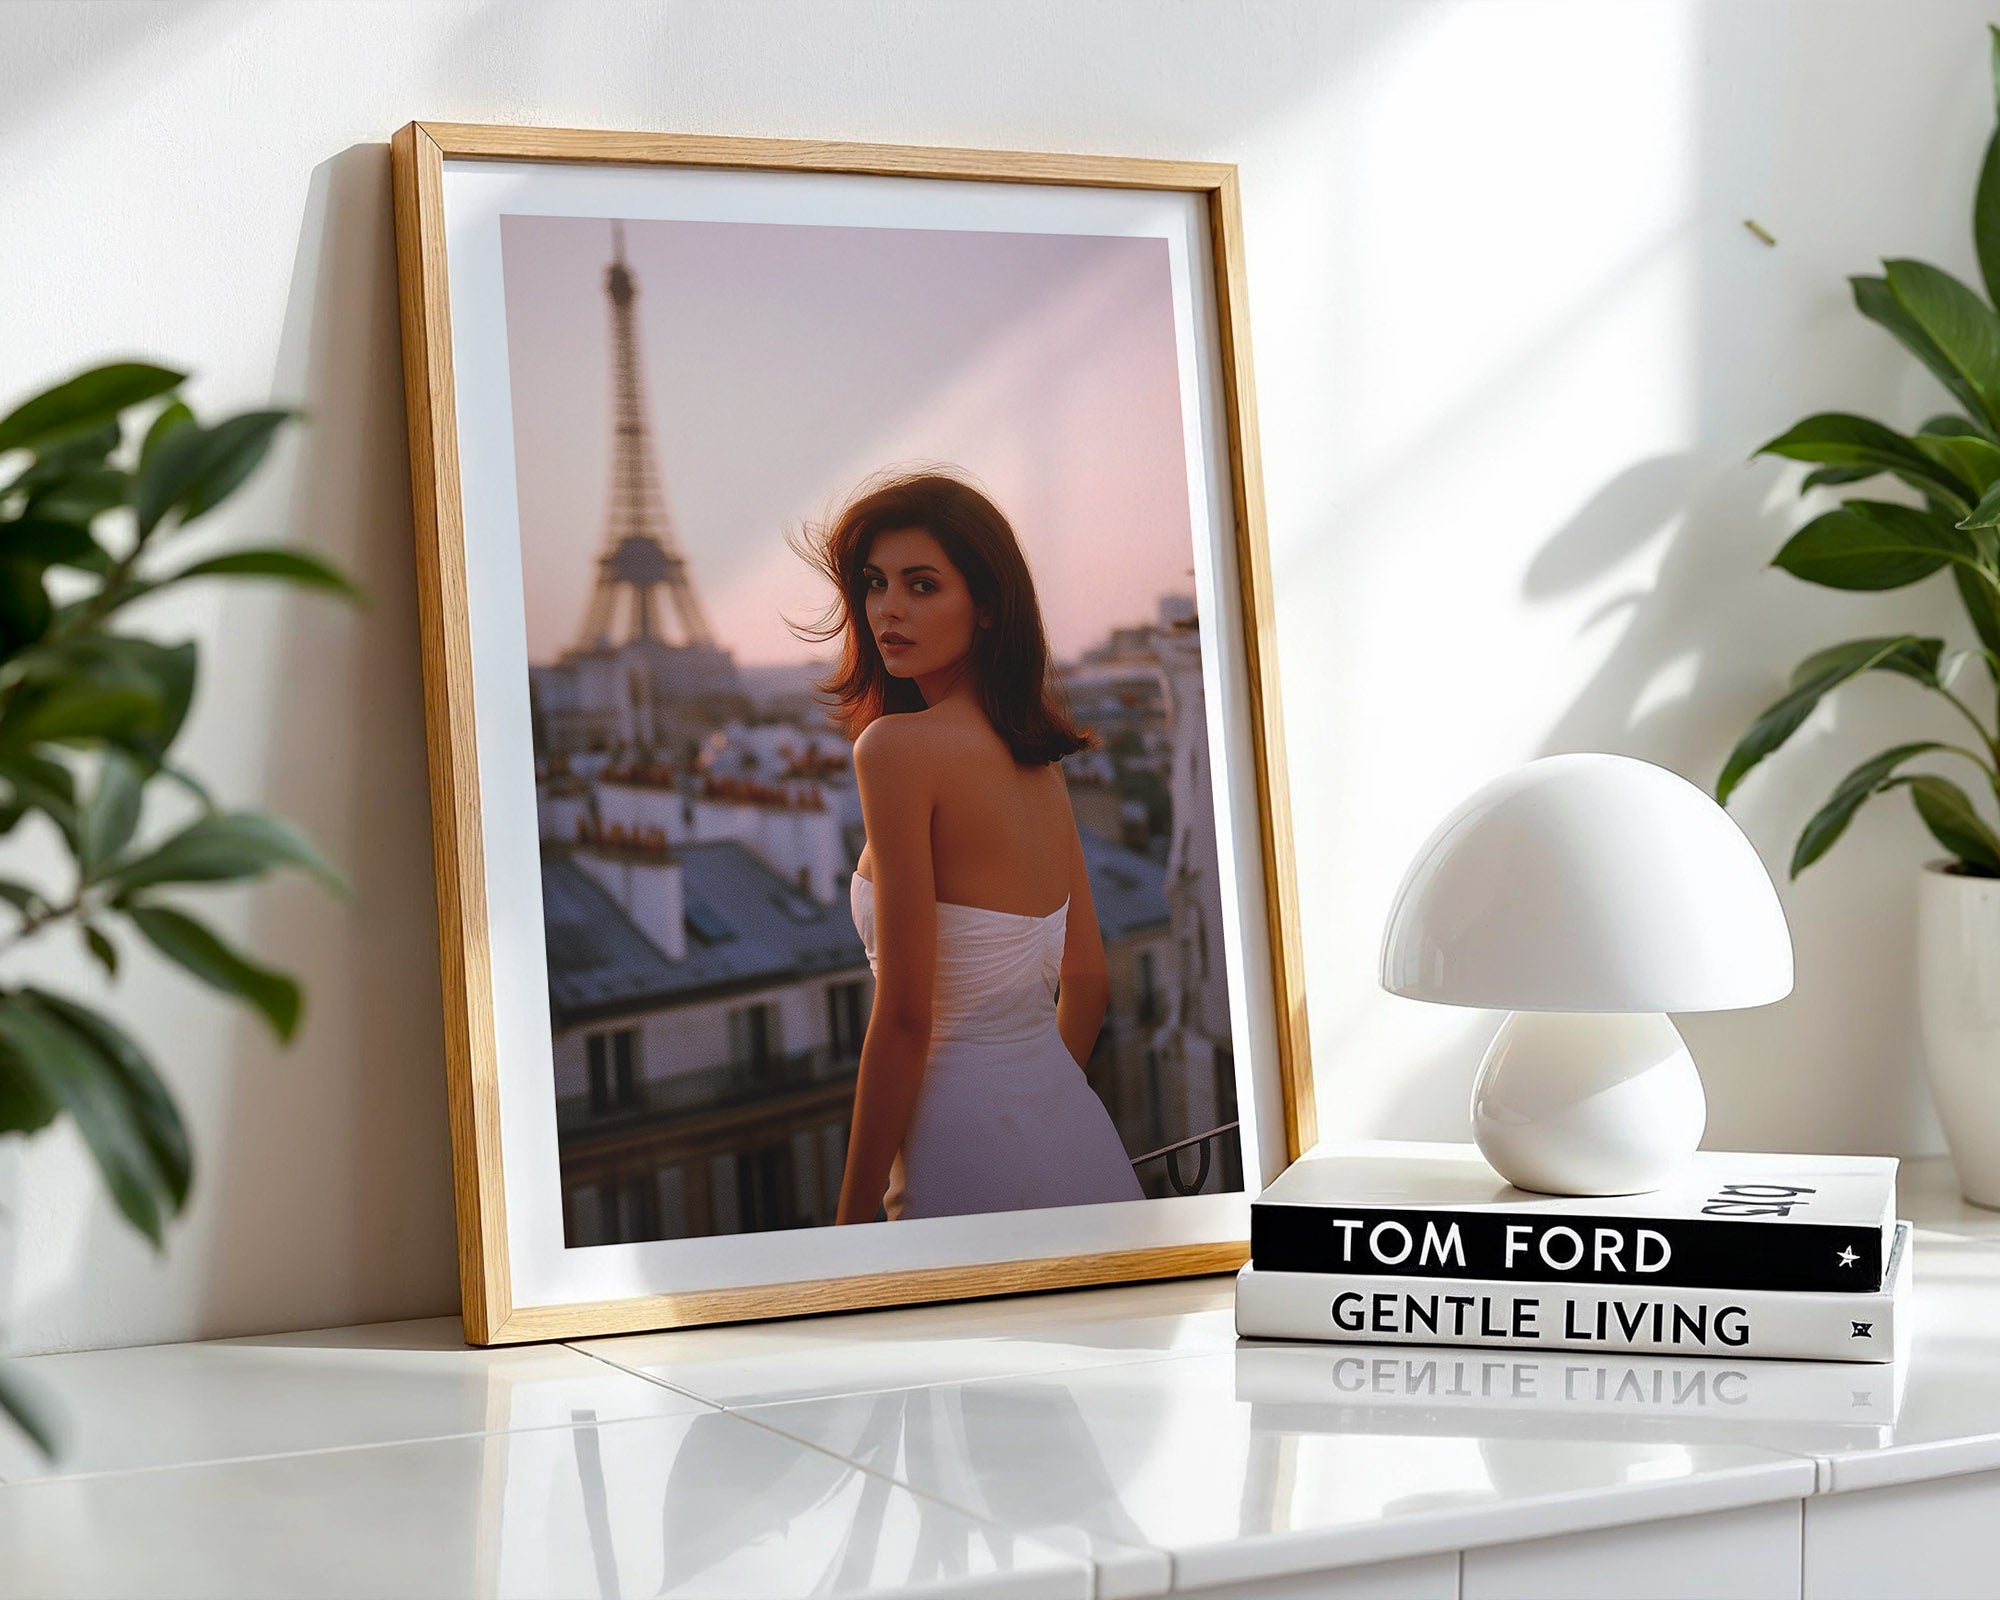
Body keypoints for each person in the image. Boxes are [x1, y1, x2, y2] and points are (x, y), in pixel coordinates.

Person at [789, 470, 1145, 1223]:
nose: (888, 608)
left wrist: (851, 1218)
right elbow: (1089, 984)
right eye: (875, 583)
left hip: (958, 1148)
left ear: (986, 606)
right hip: (1076, 1140)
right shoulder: (1038, 762)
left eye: (923, 586)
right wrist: (1037, 1111)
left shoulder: (895, 750)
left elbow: (906, 1017)